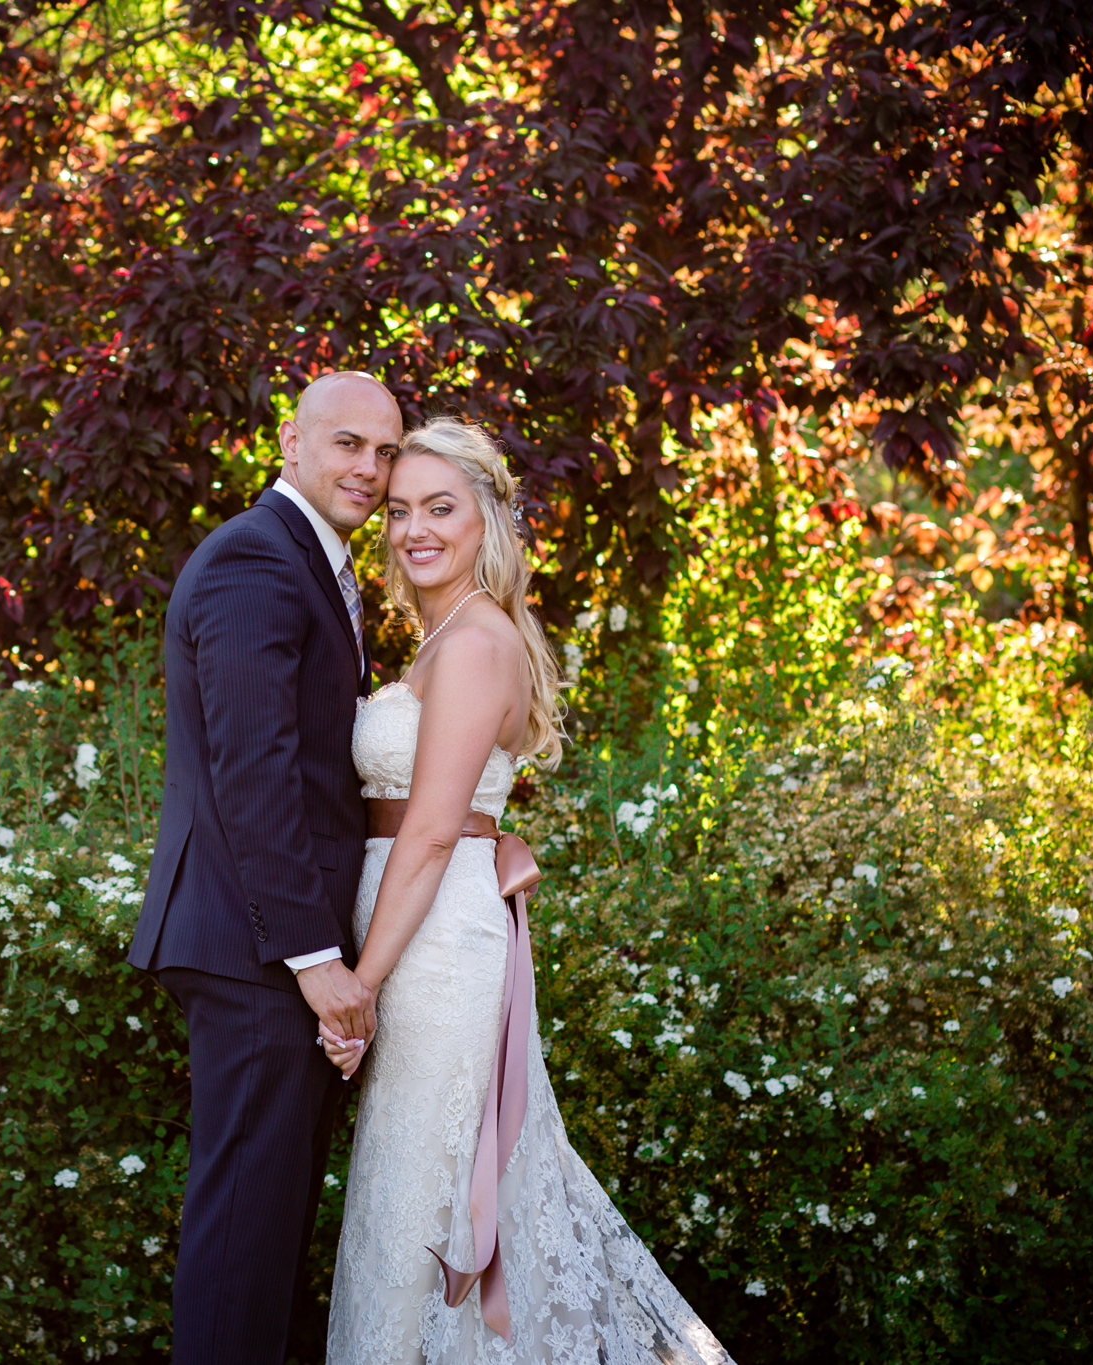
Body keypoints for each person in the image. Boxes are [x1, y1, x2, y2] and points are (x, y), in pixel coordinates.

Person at [321, 417, 733, 1363]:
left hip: (430, 954)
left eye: (439, 507)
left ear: (487, 522)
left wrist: (361, 986)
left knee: (422, 1204)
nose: (413, 528)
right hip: (417, 943)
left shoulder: (472, 644)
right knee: (418, 1196)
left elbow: (426, 834)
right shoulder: (443, 636)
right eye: (398, 510)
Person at [128, 370, 403, 1364]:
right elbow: (253, 776)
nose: (368, 470)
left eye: (384, 452)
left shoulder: (313, 564)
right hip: (256, 950)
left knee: (268, 1233)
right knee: (244, 1234)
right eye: (347, 445)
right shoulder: (255, 559)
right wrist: (313, 960)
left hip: (264, 946)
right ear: (289, 442)